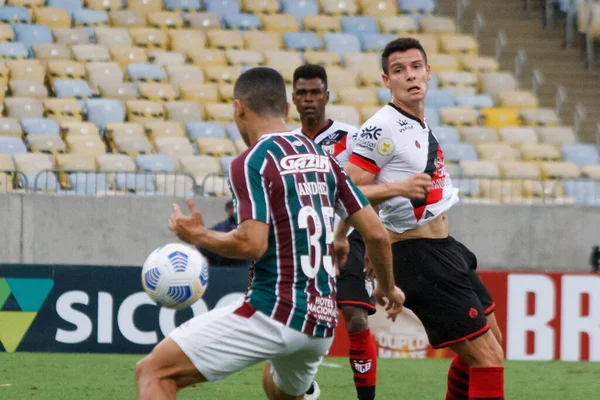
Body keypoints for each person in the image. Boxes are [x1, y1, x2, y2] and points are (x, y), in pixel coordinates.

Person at [134, 67, 406, 400]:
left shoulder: (253, 160)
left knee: (153, 371)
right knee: (277, 388)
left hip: (274, 312)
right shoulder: (324, 157)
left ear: (239, 108)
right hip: (321, 321)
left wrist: (199, 236)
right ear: (287, 109)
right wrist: (388, 288)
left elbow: (251, 243)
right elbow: (377, 234)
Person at [336, 38, 505, 400]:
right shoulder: (381, 127)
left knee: (493, 343)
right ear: (386, 80)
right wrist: (394, 193)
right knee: (488, 361)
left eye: (416, 67)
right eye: (399, 71)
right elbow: (346, 190)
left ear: (428, 72)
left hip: (445, 247)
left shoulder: (418, 123)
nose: (410, 76)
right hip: (418, 256)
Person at [290, 64, 376, 400]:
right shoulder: (286, 143)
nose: (309, 99)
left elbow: (370, 189)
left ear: (327, 96)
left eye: (315, 92)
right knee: (289, 321)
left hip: (348, 234)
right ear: (293, 99)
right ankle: (304, 387)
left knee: (355, 318)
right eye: (302, 93)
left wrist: (371, 237)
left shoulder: (351, 138)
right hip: (301, 239)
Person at [197, 200, 249, 267]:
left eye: (234, 208)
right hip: (223, 269)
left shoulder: (249, 227)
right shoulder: (220, 228)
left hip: (244, 269)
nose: (232, 211)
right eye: (230, 208)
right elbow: (202, 245)